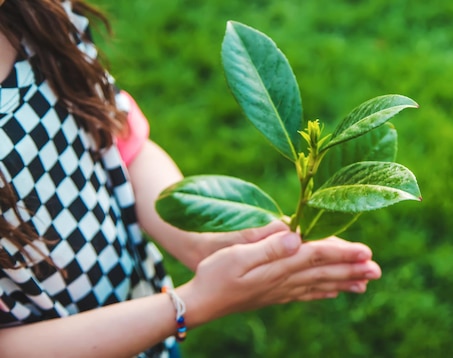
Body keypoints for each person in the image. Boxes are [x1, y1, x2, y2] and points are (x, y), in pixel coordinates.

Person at [0, 0, 382, 356]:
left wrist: (202, 238)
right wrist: (190, 304)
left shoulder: (41, 12)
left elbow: (121, 144)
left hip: (142, 312)